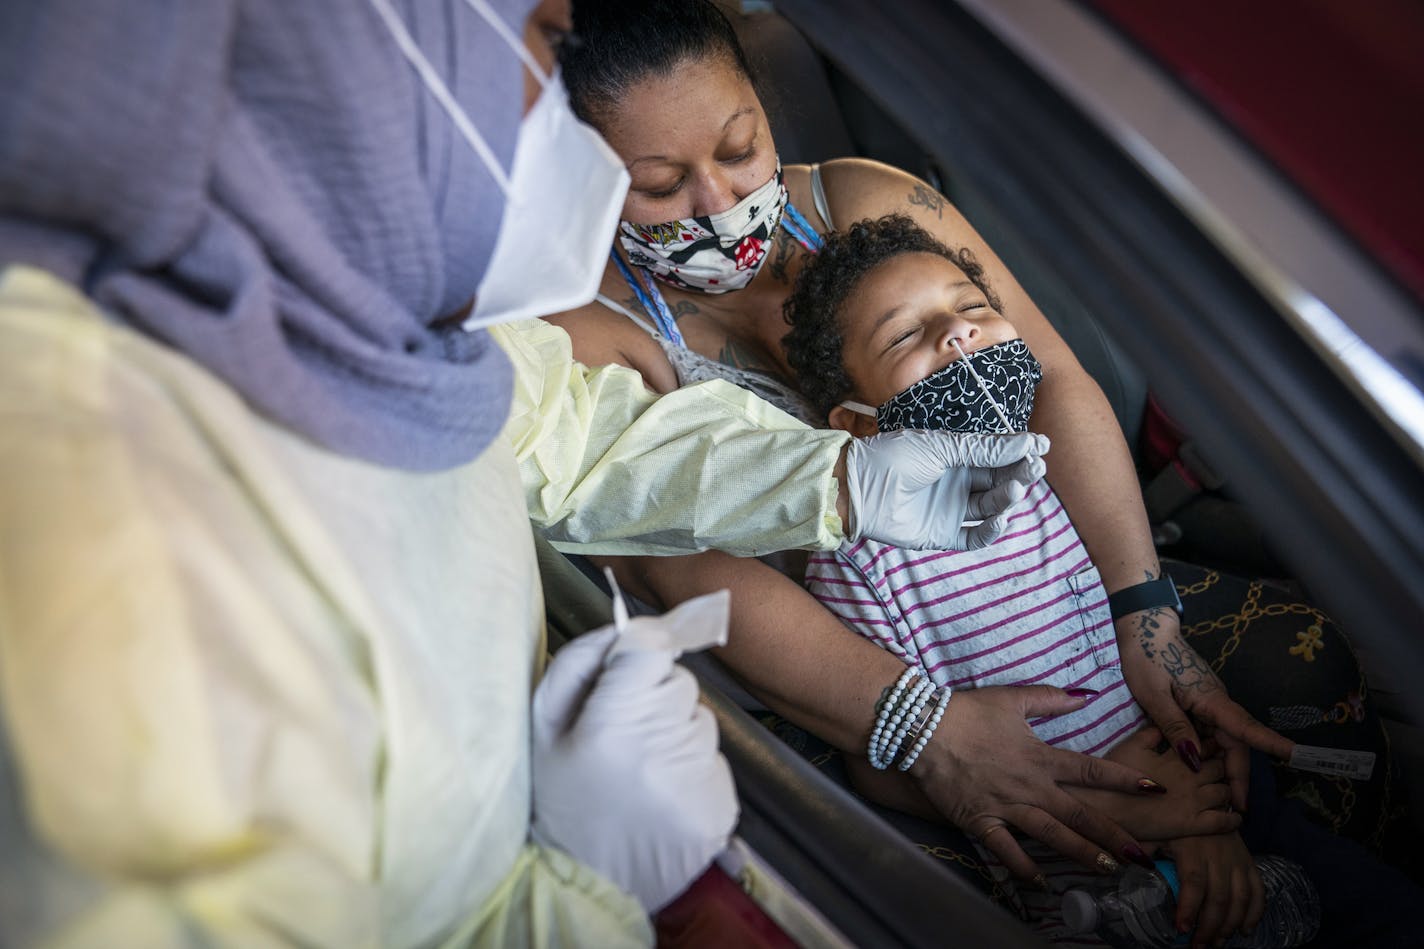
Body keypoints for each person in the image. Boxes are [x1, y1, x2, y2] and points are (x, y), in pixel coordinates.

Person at [0, 0, 1058, 945]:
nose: (561, 121)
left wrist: (837, 479)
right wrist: (582, 895)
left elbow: (584, 442)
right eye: (541, 41)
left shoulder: (373, 308)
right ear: (371, 75)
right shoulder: (95, 541)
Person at [548, 0, 1399, 925]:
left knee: (1289, 716)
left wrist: (1140, 611)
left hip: (1037, 582)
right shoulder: (590, 341)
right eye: (660, 184)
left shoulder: (867, 202)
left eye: (740, 145)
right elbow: (697, 572)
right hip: (849, 665)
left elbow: (1052, 379)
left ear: (760, 100)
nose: (717, 201)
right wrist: (931, 736)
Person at [782, 212, 1422, 947]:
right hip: (1084, 861)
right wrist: (1126, 807)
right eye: (904, 335)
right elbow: (885, 761)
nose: (956, 336)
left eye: (973, 308)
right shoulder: (859, 558)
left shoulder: (1050, 469)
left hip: (1214, 786)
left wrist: (1199, 805)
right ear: (858, 426)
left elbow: (1136, 625)